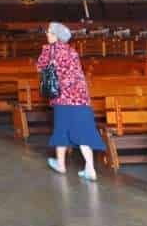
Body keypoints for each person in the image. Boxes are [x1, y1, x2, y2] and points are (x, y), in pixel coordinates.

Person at [36, 22, 104, 181]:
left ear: (55, 36)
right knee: (83, 132)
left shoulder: (51, 51)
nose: (47, 34)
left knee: (61, 130)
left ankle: (60, 164)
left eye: (49, 32)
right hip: (81, 98)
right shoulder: (72, 51)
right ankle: (90, 168)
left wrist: (46, 52)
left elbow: (40, 67)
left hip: (63, 98)